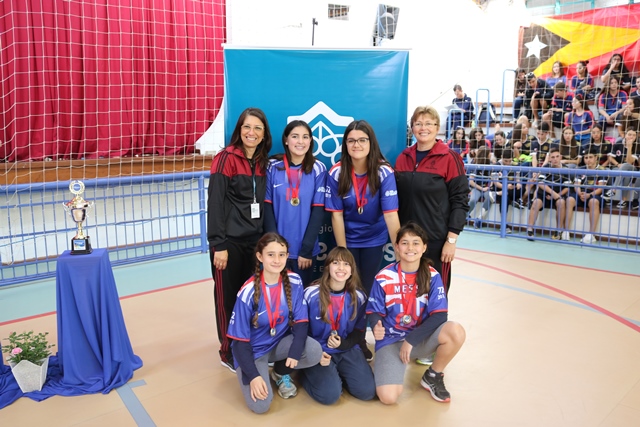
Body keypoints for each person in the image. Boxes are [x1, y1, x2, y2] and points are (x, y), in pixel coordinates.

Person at [367, 222, 466, 404]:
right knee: (388, 398)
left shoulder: (432, 276)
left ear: (424, 248)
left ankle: (433, 375)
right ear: (397, 247)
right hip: (391, 341)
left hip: (419, 341)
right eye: (405, 243)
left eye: (416, 243)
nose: (410, 248)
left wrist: (411, 340)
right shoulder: (384, 277)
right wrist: (375, 324)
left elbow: (440, 315)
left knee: (455, 330)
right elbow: (373, 310)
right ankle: (390, 367)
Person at [326, 119, 401, 360]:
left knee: (364, 291)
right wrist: (342, 253)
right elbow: (336, 215)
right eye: (351, 140)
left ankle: (358, 338)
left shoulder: (383, 172)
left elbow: (390, 214)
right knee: (344, 288)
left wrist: (399, 249)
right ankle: (339, 336)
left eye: (362, 140)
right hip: (346, 238)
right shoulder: (337, 172)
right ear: (345, 144)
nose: (356, 145)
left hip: (373, 240)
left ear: (371, 143)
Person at [227, 233, 322, 414]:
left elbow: (301, 322)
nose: (277, 260)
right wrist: (253, 376)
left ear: (287, 256)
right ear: (260, 256)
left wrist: (294, 352)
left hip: (279, 344)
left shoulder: (294, 281)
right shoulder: (247, 292)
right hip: (253, 352)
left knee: (314, 351)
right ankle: (259, 373)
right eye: (271, 255)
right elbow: (239, 343)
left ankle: (279, 372)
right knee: (261, 406)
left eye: (281, 254)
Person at [208, 107, 272, 372]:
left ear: (264, 134)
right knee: (227, 300)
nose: (251, 132)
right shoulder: (225, 158)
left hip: (254, 243)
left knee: (250, 299)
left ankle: (247, 344)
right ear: (239, 130)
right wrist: (219, 244)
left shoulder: (263, 162)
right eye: (247, 127)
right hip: (229, 244)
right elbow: (215, 204)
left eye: (257, 128)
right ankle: (227, 351)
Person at [395, 106, 469, 294]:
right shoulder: (403, 157)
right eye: (418, 123)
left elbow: (460, 201)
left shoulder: (450, 158)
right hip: (408, 241)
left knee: (436, 293)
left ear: (437, 127)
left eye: (429, 123)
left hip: (436, 241)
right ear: (412, 127)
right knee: (408, 293)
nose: (423, 128)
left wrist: (451, 240)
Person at [299, 247, 376, 405]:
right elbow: (300, 331)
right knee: (330, 396)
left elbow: (359, 331)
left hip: (346, 348)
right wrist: (314, 353)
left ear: (352, 270)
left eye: (346, 264)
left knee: (367, 392)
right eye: (336, 263)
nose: (341, 268)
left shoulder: (359, 296)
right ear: (327, 267)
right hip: (319, 349)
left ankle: (338, 375)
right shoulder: (310, 294)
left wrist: (344, 344)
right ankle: (305, 372)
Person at [264, 120, 327, 286]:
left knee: (301, 295)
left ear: (310, 141)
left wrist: (306, 250)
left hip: (303, 253)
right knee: (277, 295)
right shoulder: (272, 166)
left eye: (305, 137)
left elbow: (318, 211)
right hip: (277, 252)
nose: (300, 141)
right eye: (295, 136)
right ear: (286, 140)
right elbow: (267, 208)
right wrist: (275, 247)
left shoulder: (318, 168)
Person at [565, 148, 609, 244]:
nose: (588, 160)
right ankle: (566, 231)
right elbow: (577, 184)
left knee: (593, 202)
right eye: (586, 158)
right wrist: (580, 193)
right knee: (569, 199)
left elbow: (600, 188)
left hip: (595, 194)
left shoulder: (602, 170)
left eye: (590, 157)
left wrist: (589, 194)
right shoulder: (580, 169)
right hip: (581, 193)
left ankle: (591, 234)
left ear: (596, 158)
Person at [526, 148, 571, 241]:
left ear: (560, 157)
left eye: (557, 156)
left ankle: (558, 232)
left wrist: (557, 195)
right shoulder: (546, 167)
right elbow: (540, 183)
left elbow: (567, 187)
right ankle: (529, 230)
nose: (555, 159)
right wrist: (553, 194)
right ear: (549, 158)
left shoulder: (566, 169)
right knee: (536, 203)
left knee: (561, 203)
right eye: (553, 157)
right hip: (544, 194)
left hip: (558, 194)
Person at [607, 128, 640, 209]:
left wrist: (629, 148)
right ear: (625, 135)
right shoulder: (619, 143)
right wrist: (617, 164)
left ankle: (613, 190)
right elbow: (610, 157)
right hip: (619, 167)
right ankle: (623, 200)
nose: (631, 137)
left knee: (625, 166)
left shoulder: (637, 146)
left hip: (633, 168)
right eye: (629, 134)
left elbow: (630, 162)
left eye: (634, 135)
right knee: (626, 174)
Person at [493, 148, 522, 233]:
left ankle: (500, 194)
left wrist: (518, 183)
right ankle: (504, 225)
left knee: (522, 188)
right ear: (502, 157)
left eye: (510, 161)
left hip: (510, 189)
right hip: (501, 188)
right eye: (506, 161)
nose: (508, 163)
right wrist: (505, 187)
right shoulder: (497, 165)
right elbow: (495, 182)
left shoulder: (515, 165)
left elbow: (517, 178)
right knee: (504, 198)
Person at [468, 146, 494, 228]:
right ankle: (465, 215)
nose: (491, 154)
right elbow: (471, 181)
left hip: (486, 188)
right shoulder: (474, 163)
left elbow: (492, 178)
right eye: (489, 153)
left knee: (490, 198)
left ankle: (479, 219)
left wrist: (490, 185)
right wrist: (482, 188)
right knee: (473, 200)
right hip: (477, 187)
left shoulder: (490, 164)